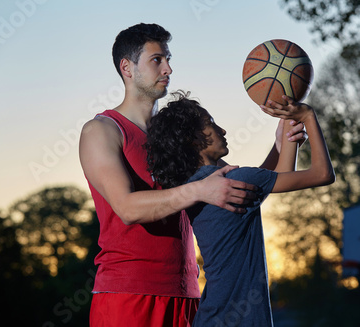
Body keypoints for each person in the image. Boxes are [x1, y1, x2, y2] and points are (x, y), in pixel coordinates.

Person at [79, 23, 306, 326]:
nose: (168, 68)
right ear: (127, 68)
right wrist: (198, 191)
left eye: (169, 58)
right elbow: (127, 208)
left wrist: (280, 146)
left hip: (187, 296)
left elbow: (232, 187)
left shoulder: (176, 136)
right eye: (156, 59)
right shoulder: (102, 130)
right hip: (128, 294)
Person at [146, 91, 335, 326]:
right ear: (192, 138)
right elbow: (323, 174)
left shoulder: (196, 186)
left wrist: (286, 133)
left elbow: (277, 176)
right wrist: (307, 115)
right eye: (211, 124)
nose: (222, 131)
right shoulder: (232, 180)